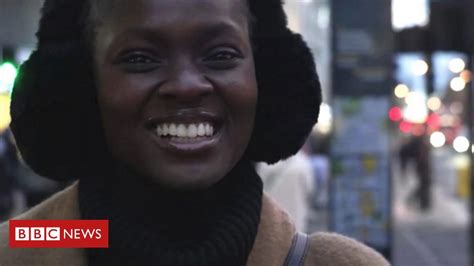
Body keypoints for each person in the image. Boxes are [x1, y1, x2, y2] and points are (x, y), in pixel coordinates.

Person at [0, 0, 389, 265]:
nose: (186, 86)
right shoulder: (17, 251)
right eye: (139, 58)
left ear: (266, 79)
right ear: (81, 86)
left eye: (220, 55)